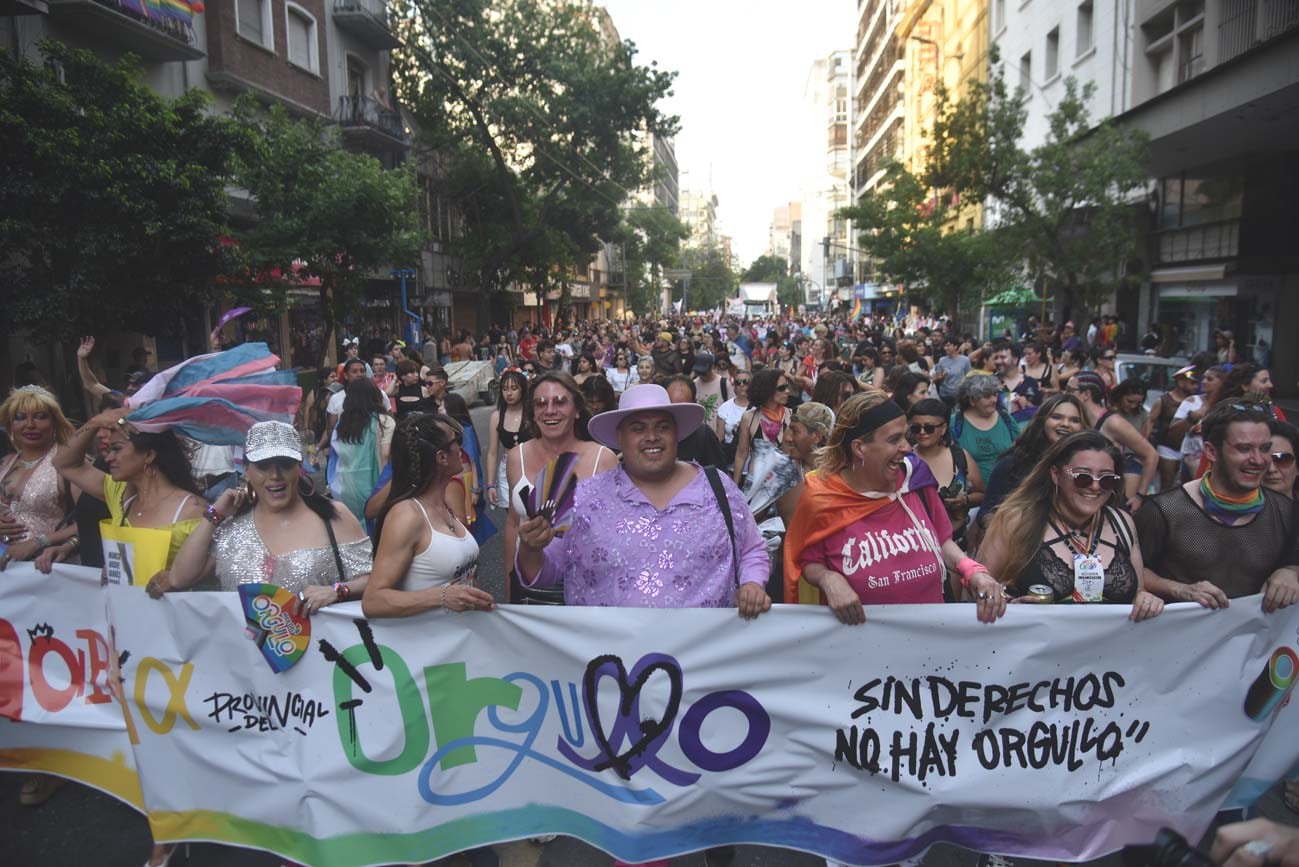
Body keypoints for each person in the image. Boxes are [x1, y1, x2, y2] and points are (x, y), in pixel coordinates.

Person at [53, 408, 205, 864]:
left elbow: (205, 575)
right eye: (106, 449)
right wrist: (99, 421)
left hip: (177, 642)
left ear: (150, 455)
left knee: (174, 732)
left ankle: (177, 827)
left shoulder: (191, 508)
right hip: (125, 637)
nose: (107, 457)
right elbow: (66, 463)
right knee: (143, 732)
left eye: (116, 448)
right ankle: (169, 820)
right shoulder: (119, 494)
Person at [516, 383, 771, 619]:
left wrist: (752, 584)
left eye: (662, 427)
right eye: (638, 428)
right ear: (620, 437)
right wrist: (530, 548)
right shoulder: (583, 498)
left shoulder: (718, 490)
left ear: (677, 434)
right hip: (612, 661)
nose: (652, 436)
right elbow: (545, 573)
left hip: (703, 658)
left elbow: (752, 549)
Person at [783, 390, 1008, 621]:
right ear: (859, 448)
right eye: (894, 440)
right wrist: (828, 579)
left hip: (930, 636)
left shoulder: (915, 478)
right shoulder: (823, 498)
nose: (908, 448)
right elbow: (809, 560)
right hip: (860, 643)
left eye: (905, 436)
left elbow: (941, 541)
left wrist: (973, 571)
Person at [154, 420, 371, 610]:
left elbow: (374, 579)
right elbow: (180, 578)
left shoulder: (333, 516)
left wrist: (338, 590)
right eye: (263, 466)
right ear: (246, 470)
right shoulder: (230, 525)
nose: (275, 476)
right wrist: (214, 516)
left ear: (299, 468)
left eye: (284, 465)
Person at [979, 431, 1163, 619]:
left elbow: (1138, 592)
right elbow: (977, 589)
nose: (1095, 487)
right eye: (1083, 477)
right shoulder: (1016, 521)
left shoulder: (1123, 523)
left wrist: (1146, 600)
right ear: (1056, 475)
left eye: (1107, 479)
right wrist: (1010, 604)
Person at [1135, 402, 1299, 610]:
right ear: (1212, 452)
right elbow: (1135, 572)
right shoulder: (1163, 511)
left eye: (1265, 449)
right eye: (1244, 449)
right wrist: (1180, 589)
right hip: (1185, 639)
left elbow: (1293, 557)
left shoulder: (1286, 511)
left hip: (1257, 640)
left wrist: (1290, 571)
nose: (1258, 460)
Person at [363, 413, 496, 617]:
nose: (462, 449)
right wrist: (442, 597)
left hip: (463, 639)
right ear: (442, 457)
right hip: (428, 642)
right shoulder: (407, 515)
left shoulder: (444, 503)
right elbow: (373, 601)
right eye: (456, 442)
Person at [504, 371, 614, 604]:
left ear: (577, 410)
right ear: (532, 413)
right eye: (540, 403)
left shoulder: (602, 458)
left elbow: (612, 533)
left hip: (584, 585)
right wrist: (510, 583)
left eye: (560, 402)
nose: (550, 410)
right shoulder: (517, 457)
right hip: (529, 582)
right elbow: (513, 523)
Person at [0, 386, 80, 570]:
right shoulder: (4, 463)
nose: (30, 424)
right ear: (10, 424)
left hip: (51, 570)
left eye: (40, 416)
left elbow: (94, 520)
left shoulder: (70, 464)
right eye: (20, 417)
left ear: (55, 422)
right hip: (6, 573)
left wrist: (40, 542)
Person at [980, 393, 1086, 519]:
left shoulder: (1088, 464)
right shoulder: (1013, 462)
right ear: (1042, 420)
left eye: (1075, 420)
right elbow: (987, 511)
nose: (1065, 424)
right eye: (1056, 417)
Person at [1064, 371, 1158, 507]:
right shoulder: (1080, 419)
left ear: (1086, 395)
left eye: (1069, 390)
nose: (1064, 394)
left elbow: (1151, 455)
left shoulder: (1113, 422)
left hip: (1110, 495)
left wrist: (1140, 495)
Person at [907, 398, 983, 546]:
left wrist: (964, 500)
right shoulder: (905, 460)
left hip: (956, 539)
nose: (922, 432)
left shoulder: (960, 457)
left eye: (929, 428)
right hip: (918, 544)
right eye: (916, 428)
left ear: (943, 428)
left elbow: (981, 494)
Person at [330, 378, 395, 523]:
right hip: (373, 488)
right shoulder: (384, 421)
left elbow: (336, 456)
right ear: (376, 396)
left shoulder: (342, 425)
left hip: (344, 488)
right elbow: (385, 454)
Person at [950, 374, 1021, 483]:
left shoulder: (1005, 418)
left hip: (1007, 489)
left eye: (995, 394)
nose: (994, 400)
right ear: (972, 401)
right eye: (987, 396)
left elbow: (1022, 448)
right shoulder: (955, 423)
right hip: (971, 494)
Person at [732, 367, 792, 486]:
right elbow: (741, 454)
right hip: (755, 484)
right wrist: (734, 488)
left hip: (783, 486)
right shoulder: (749, 418)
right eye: (782, 388)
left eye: (787, 386)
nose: (787, 391)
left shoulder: (790, 416)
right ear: (767, 390)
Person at [1169, 364, 1227, 479]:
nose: (1204, 381)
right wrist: (1191, 418)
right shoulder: (1191, 401)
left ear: (1222, 383)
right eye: (1204, 378)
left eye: (1209, 379)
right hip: (1191, 459)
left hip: (1218, 463)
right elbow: (1172, 432)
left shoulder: (1227, 406)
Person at [1147, 365, 1200, 491]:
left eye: (1196, 383)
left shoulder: (1196, 401)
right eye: (1191, 383)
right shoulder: (1163, 400)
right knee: (1167, 482)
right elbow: (1150, 422)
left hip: (1189, 448)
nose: (1195, 387)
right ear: (1181, 382)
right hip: (1167, 447)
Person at [663, 376, 727, 470]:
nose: (678, 413)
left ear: (694, 404)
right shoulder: (654, 436)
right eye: (672, 406)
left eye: (683, 407)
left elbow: (718, 477)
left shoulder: (704, 435)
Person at [691, 352, 729, 437]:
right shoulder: (693, 384)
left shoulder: (724, 383)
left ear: (712, 367)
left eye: (704, 372)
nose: (702, 375)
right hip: (699, 435)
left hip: (720, 435)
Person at [933, 335, 971, 408]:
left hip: (958, 395)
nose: (945, 348)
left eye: (948, 346)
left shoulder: (965, 360)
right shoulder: (942, 360)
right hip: (945, 395)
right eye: (945, 346)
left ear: (955, 346)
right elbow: (937, 376)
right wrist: (940, 376)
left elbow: (968, 376)